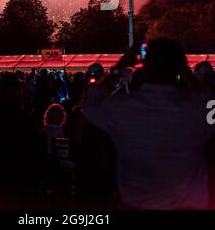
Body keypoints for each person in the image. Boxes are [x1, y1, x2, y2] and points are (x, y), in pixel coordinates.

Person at [83, 38, 215, 209]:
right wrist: (189, 74)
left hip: (138, 203)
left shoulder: (123, 108)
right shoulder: (195, 110)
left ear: (146, 66)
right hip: (190, 203)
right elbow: (210, 100)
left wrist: (119, 68)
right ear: (180, 66)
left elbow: (91, 103)